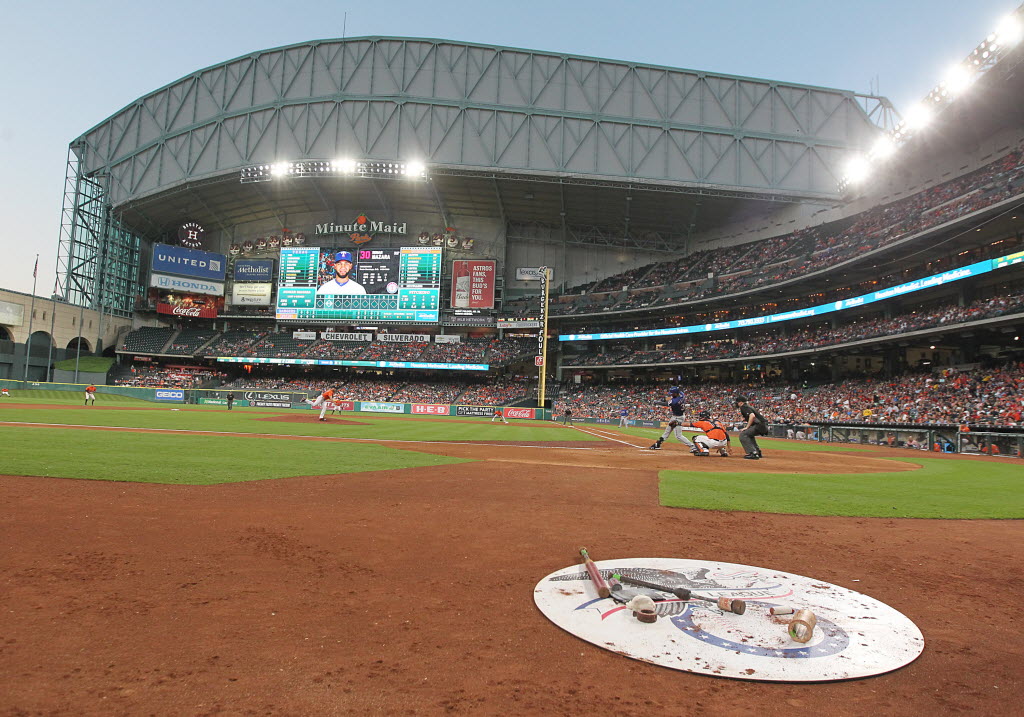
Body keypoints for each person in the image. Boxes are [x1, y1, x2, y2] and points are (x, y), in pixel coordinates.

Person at [649, 386, 700, 455]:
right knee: (667, 431)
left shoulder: (675, 401)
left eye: (672, 393)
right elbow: (670, 398)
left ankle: (693, 447)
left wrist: (657, 402)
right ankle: (658, 444)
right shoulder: (681, 394)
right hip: (677, 416)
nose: (671, 394)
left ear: (676, 393)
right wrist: (664, 399)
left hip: (678, 418)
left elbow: (666, 404)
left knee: (678, 436)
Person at [735, 395, 768, 460]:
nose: (737, 404)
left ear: (741, 402)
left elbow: (752, 416)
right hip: (763, 425)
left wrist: (747, 427)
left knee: (743, 435)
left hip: (759, 425)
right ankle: (757, 451)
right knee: (749, 435)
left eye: (737, 402)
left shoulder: (744, 407)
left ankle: (753, 453)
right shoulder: (749, 406)